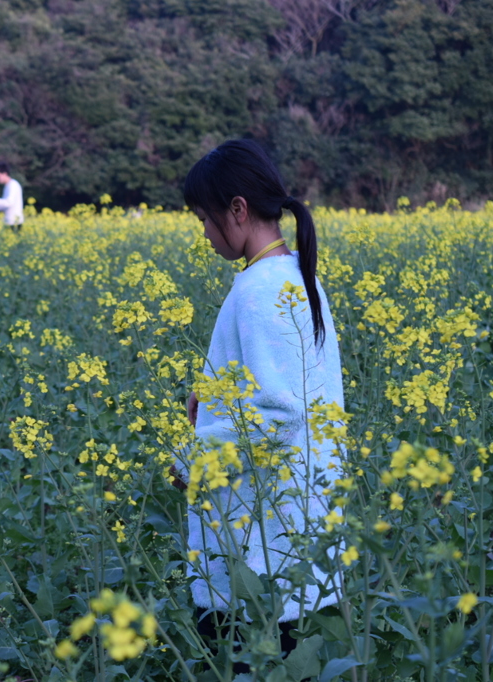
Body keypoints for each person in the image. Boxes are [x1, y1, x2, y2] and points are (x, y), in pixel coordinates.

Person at [176, 140, 345, 652]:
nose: (204, 233)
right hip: (294, 536)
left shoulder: (259, 290)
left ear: (238, 210)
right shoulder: (293, 275)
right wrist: (212, 399)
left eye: (205, 219)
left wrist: (192, 460)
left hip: (261, 551)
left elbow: (279, 413)